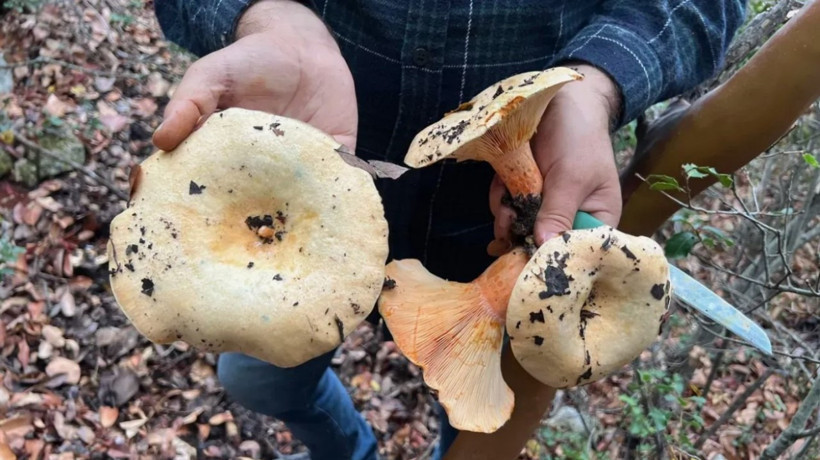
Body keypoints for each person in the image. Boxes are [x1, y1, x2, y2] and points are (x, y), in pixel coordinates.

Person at [151, 1, 746, 459]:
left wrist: (595, 87)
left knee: (467, 421)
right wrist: (265, 16)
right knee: (258, 381)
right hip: (299, 184)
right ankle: (347, 451)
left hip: (493, 237)